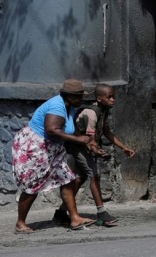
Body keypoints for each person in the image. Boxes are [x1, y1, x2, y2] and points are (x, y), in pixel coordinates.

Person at [12, 79, 96, 233]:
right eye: (79, 97)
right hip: (36, 147)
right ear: (70, 97)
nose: (82, 100)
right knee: (32, 187)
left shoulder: (69, 106)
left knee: (67, 180)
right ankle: (20, 223)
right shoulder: (57, 106)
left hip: (52, 149)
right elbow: (52, 129)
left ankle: (75, 218)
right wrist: (79, 139)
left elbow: (70, 129)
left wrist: (88, 142)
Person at [53, 83, 135, 225]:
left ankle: (61, 212)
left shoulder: (104, 111)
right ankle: (101, 212)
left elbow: (107, 132)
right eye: (109, 97)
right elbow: (90, 139)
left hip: (85, 145)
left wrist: (124, 147)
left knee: (81, 177)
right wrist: (95, 149)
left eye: (113, 97)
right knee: (94, 174)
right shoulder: (92, 113)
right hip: (77, 146)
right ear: (99, 98)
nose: (112, 100)